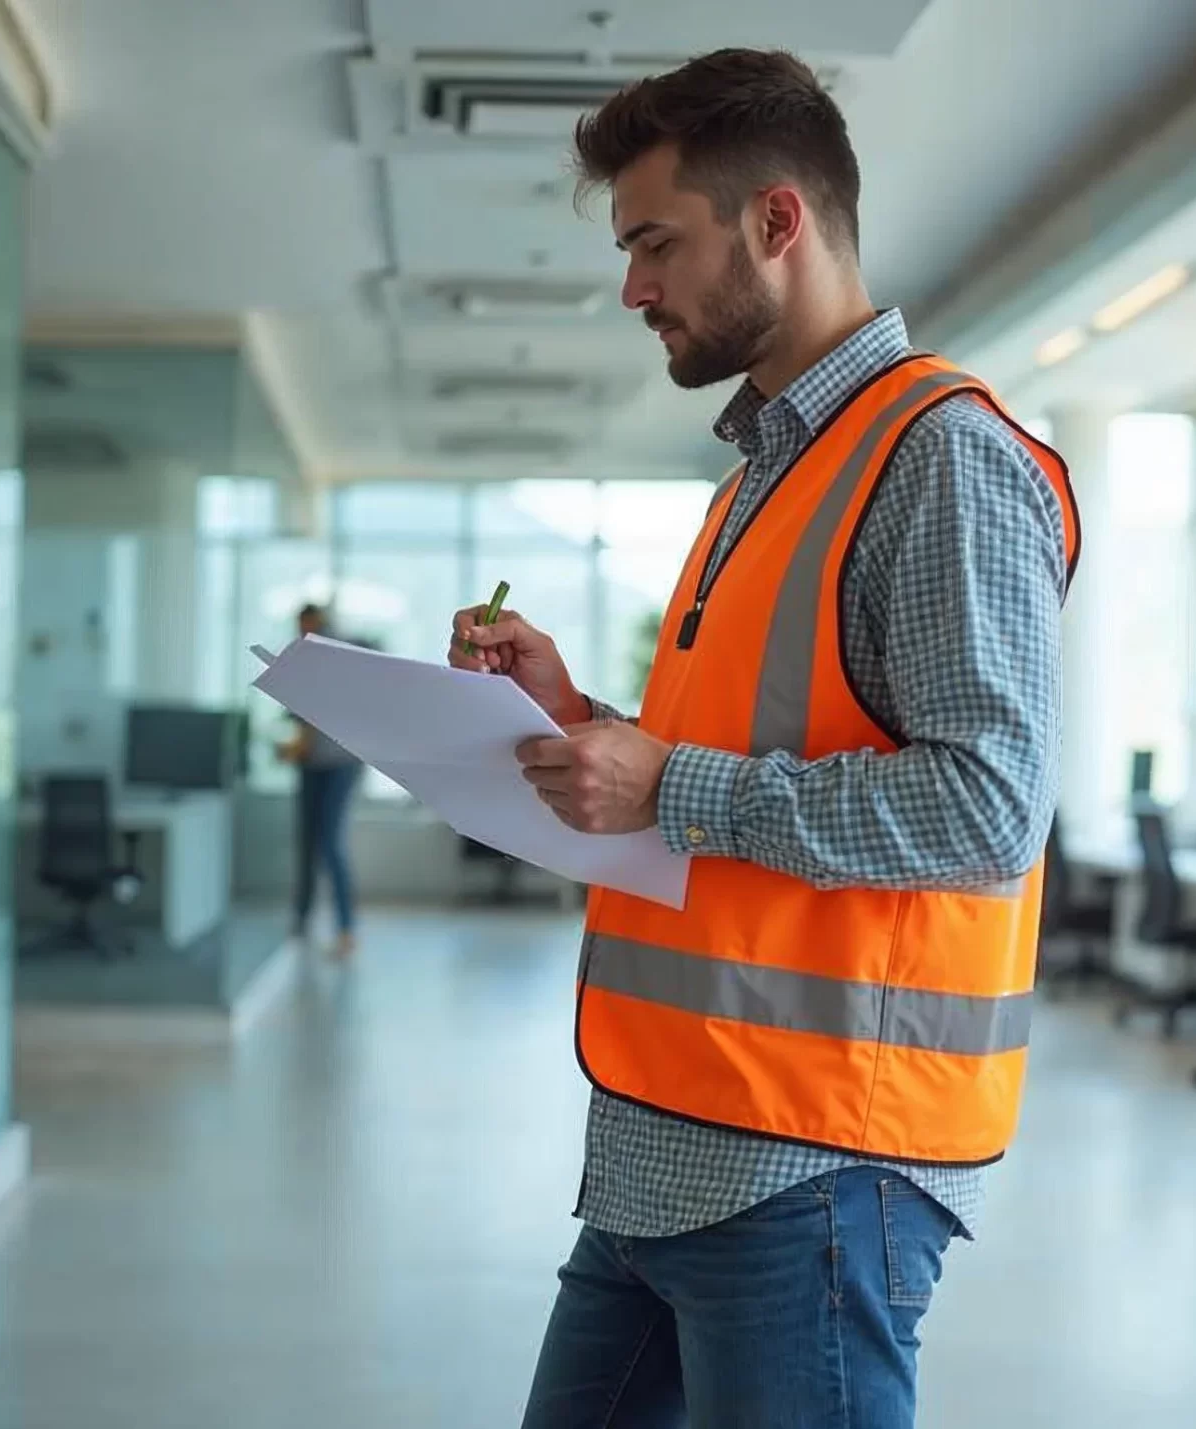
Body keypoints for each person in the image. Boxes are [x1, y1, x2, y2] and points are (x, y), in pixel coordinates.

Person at [448, 49, 1080, 1428]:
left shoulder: (941, 459)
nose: (633, 288)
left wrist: (667, 780)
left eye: (656, 243)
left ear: (778, 223)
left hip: (814, 1166)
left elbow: (987, 807)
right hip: (668, 1141)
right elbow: (736, 755)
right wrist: (585, 728)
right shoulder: (769, 473)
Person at [279, 603, 361, 954]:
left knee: (329, 842)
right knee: (307, 844)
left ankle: (345, 929)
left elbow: (320, 714)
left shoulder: (335, 656)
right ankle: (301, 918)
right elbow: (300, 720)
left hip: (341, 763)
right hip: (312, 764)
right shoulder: (301, 658)